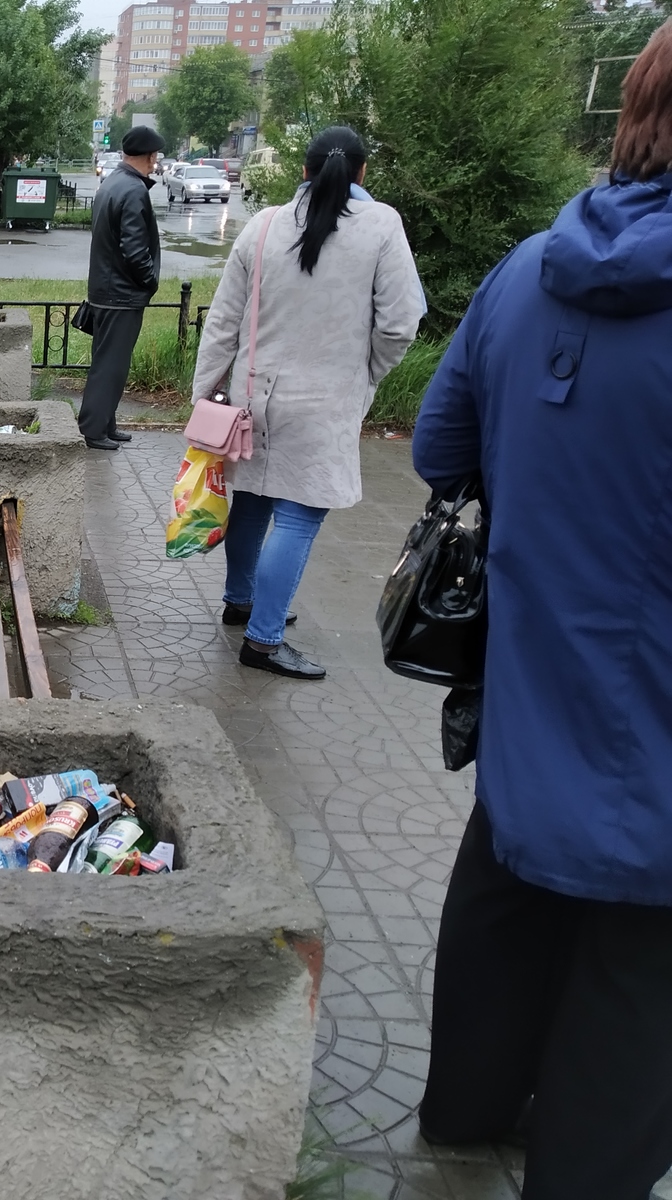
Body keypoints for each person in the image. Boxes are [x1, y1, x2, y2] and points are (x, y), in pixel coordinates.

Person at [412, 20, 672, 1199]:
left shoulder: (527, 268)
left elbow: (438, 446)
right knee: (640, 977)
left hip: (526, 689)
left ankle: (462, 1113)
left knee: (504, 901)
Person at [190, 126, 422, 679]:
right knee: (296, 519)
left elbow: (223, 320)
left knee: (250, 502)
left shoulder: (264, 224)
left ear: (304, 170)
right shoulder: (382, 226)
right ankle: (263, 641)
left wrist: (204, 395)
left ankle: (241, 602)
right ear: (361, 173)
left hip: (252, 395)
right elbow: (399, 323)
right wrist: (365, 374)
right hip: (324, 403)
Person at [79, 124, 164, 450]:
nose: (155, 163)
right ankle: (94, 430)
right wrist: (149, 280)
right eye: (155, 157)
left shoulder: (112, 183)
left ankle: (106, 423)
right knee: (110, 366)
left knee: (109, 362)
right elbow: (133, 250)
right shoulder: (133, 191)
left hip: (105, 290)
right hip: (121, 295)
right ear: (149, 156)